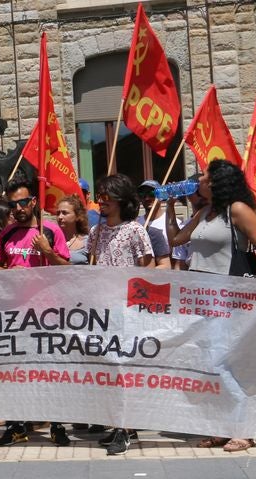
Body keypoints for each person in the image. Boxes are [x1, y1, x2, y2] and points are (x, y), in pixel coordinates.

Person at [167, 160, 256, 452]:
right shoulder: (204, 212)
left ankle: (244, 430)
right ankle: (220, 427)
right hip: (201, 300)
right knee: (209, 363)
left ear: (217, 182)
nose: (199, 180)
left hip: (228, 300)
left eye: (204, 176)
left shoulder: (237, 210)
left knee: (229, 364)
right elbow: (176, 239)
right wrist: (170, 206)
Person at [0, 177, 71, 447]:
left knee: (52, 371)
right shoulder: (7, 233)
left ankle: (57, 425)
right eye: (13, 205)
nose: (18, 208)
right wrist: (8, 272)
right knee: (15, 372)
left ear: (34, 201)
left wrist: (48, 252)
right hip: (16, 313)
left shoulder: (50, 231)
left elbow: (68, 270)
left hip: (49, 312)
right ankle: (17, 426)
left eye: (23, 202)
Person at [88, 174, 154, 455]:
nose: (101, 202)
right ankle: (119, 423)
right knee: (109, 369)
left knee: (125, 368)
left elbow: (148, 268)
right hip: (102, 311)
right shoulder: (96, 232)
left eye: (106, 196)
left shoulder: (135, 230)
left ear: (121, 200)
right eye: (99, 196)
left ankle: (124, 429)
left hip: (127, 310)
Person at [137, 180, 180, 269]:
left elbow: (178, 258)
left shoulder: (173, 224)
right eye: (142, 195)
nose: (147, 198)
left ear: (161, 195)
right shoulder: (136, 224)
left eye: (152, 194)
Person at [55, 195, 90, 265]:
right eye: (58, 213)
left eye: (64, 213)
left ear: (78, 216)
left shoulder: (88, 242)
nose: (60, 217)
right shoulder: (52, 240)